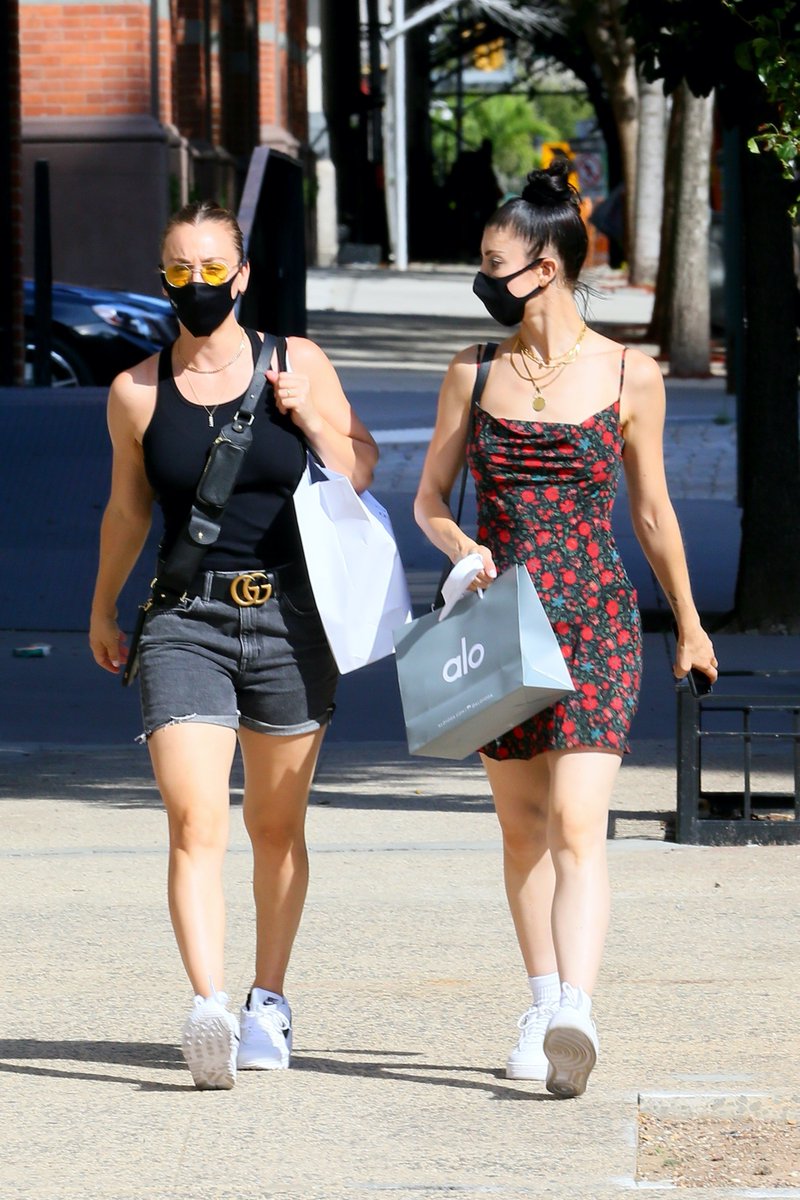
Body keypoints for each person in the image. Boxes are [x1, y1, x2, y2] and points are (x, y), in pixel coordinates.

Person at [414, 159, 717, 1099]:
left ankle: (576, 1011)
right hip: (501, 625)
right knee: (523, 830)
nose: (481, 278)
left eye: (491, 263)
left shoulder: (630, 373)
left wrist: (691, 625)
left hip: (595, 620)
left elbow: (653, 513)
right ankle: (541, 1001)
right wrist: (461, 545)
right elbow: (428, 500)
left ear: (543, 268)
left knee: (580, 822)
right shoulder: (472, 371)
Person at [89, 200, 378, 1090]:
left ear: (243, 275)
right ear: (163, 278)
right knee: (195, 820)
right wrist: (104, 609)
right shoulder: (136, 392)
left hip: (291, 618)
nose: (198, 284)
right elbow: (128, 511)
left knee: (276, 826)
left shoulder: (298, 361)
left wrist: (311, 418)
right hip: (186, 621)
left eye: (214, 268)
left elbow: (360, 466)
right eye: (181, 270)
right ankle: (209, 1006)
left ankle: (268, 1001)